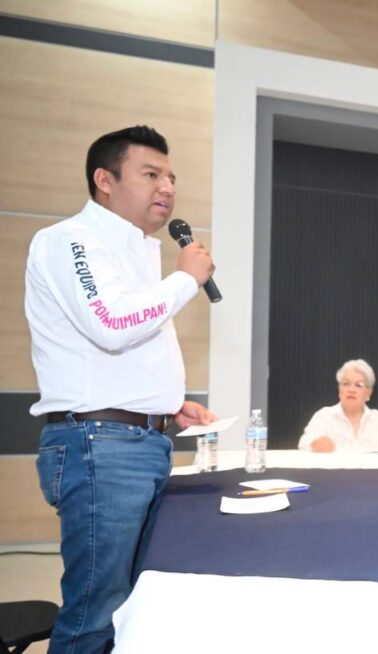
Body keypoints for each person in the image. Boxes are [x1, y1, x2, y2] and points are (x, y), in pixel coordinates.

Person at [25, 125, 216, 653]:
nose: (167, 187)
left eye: (171, 177)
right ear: (104, 180)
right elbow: (111, 325)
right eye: (151, 174)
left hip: (136, 443)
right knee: (95, 614)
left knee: (129, 610)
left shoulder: (135, 252)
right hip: (100, 447)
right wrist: (186, 280)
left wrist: (167, 405)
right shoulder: (70, 240)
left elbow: (120, 344)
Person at [298, 359, 378, 452]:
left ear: (369, 393)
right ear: (339, 389)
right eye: (346, 384)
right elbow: (304, 442)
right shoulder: (324, 416)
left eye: (358, 385)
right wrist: (316, 444)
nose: (351, 390)